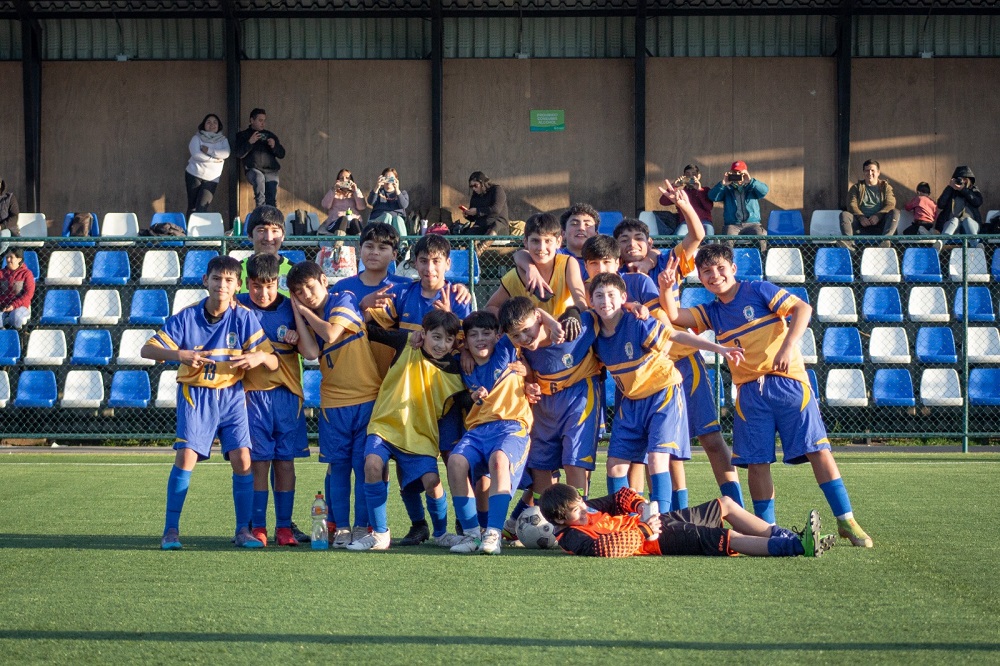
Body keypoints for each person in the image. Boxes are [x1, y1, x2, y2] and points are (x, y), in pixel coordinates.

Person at [660, 243, 874, 547]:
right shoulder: (712, 312)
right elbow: (675, 316)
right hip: (749, 393)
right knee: (757, 462)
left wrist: (787, 347)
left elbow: (803, 309)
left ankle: (846, 520)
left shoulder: (757, 290)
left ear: (733, 269)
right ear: (701, 278)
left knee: (818, 450)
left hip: (788, 384)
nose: (714, 275)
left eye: (720, 268)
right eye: (706, 271)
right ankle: (769, 530)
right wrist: (666, 288)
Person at [141, 255, 278, 550]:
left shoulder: (243, 317)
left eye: (229, 280)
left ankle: (243, 530)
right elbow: (147, 349)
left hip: (231, 395)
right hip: (197, 395)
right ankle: (171, 531)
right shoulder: (187, 317)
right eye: (216, 278)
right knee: (186, 458)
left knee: (243, 459)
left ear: (237, 285)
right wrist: (181, 355)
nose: (222, 285)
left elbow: (274, 361)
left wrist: (259, 357)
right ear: (205, 281)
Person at [588, 272, 744, 513]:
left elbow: (673, 334)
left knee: (657, 460)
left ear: (622, 298)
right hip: (631, 401)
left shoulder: (636, 322)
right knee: (615, 466)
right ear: (590, 300)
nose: (605, 301)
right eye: (599, 296)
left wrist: (719, 348)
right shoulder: (595, 333)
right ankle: (625, 520)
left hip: (663, 395)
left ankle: (661, 520)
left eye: (611, 295)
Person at [366, 233, 473, 546]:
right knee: (406, 458)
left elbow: (474, 341)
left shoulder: (461, 297)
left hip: (447, 398)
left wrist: (463, 346)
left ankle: (463, 523)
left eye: (437, 261)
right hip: (411, 397)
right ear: (414, 263)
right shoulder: (403, 293)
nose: (430, 267)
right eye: (423, 260)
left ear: (448, 264)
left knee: (455, 459)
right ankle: (418, 524)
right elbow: (380, 327)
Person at [347, 310, 470, 551]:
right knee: (372, 464)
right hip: (384, 425)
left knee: (432, 482)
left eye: (448, 339)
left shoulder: (455, 370)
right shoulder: (406, 343)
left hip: (421, 434)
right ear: (423, 334)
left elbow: (466, 399)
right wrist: (365, 309)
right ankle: (380, 533)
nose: (441, 344)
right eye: (436, 337)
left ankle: (441, 533)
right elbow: (370, 331)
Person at [287, 261, 384, 548]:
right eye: (298, 292)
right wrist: (300, 315)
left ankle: (361, 526)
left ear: (324, 281)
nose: (306, 294)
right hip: (333, 403)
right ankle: (341, 527)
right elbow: (312, 351)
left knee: (362, 464)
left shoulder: (344, 299)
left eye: (310, 286)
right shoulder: (309, 316)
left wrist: (303, 312)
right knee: (339, 467)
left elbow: (330, 334)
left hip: (366, 397)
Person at [236, 254, 319, 547]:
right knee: (259, 462)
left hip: (288, 396)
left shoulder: (289, 307)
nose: (263, 292)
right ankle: (258, 526)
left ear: (278, 284)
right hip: (251, 397)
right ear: (247, 284)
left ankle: (284, 526)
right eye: (257, 286)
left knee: (285, 462)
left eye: (270, 285)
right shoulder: (238, 306)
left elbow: (311, 353)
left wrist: (297, 329)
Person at [447, 310, 540, 555]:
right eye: (473, 335)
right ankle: (471, 534)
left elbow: (520, 319)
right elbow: (439, 336)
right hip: (478, 430)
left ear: (498, 335)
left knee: (499, 461)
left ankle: (493, 533)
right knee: (455, 462)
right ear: (464, 340)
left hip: (511, 425)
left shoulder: (506, 351)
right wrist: (463, 351)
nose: (480, 339)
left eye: (486, 333)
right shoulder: (460, 361)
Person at [539, 484, 833, 558]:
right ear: (560, 522)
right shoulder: (571, 538)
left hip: (659, 522)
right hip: (658, 542)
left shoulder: (585, 507)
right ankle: (795, 547)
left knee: (725, 505)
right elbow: (604, 550)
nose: (584, 511)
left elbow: (619, 497)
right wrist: (643, 529)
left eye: (580, 504)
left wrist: (639, 504)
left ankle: (783, 536)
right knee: (724, 539)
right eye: (577, 513)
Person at [499, 297, 600, 507]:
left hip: (579, 399)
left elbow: (604, 314)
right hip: (543, 405)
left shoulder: (573, 329)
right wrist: (528, 380)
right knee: (540, 466)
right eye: (516, 335)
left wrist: (570, 312)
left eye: (526, 330)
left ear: (538, 317)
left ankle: (578, 515)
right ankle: (545, 520)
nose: (524, 338)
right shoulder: (517, 349)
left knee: (573, 462)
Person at [486, 212, 588, 318]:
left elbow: (581, 302)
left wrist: (573, 313)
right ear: (525, 242)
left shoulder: (567, 264)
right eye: (535, 241)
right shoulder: (515, 275)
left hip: (562, 328)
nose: (541, 247)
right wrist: (514, 322)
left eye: (548, 241)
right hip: (530, 333)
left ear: (558, 242)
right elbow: (491, 307)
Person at [708, 160, 768, 251]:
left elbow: (764, 191)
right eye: (735, 172)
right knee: (727, 240)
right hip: (733, 224)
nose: (737, 175)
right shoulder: (727, 188)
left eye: (740, 172)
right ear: (730, 173)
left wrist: (750, 181)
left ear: (745, 172)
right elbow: (712, 197)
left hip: (752, 224)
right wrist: (723, 184)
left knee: (760, 236)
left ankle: (763, 261)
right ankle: (728, 262)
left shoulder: (751, 186)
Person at [839, 159, 900, 248]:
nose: (870, 173)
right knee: (844, 214)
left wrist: (878, 216)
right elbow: (851, 204)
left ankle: (886, 241)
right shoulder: (856, 188)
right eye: (867, 170)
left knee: (895, 212)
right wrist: (861, 217)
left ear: (878, 172)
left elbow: (890, 204)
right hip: (861, 225)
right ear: (863, 172)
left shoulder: (886, 187)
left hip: (880, 225)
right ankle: (849, 244)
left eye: (872, 170)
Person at [235, 108, 285, 208]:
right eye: (260, 120)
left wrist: (274, 146)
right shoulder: (242, 135)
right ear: (252, 120)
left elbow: (282, 154)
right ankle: (260, 215)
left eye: (264, 120)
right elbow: (238, 154)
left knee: (271, 198)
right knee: (259, 181)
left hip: (271, 170)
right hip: (253, 170)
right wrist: (250, 142)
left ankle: (272, 220)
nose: (263, 123)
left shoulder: (269, 135)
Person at [240, 205, 295, 296]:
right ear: (250, 236)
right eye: (261, 230)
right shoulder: (238, 270)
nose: (269, 238)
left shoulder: (294, 272)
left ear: (283, 236)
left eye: (275, 231)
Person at [184, 113, 231, 215]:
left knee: (202, 208)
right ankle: (189, 230)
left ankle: (200, 230)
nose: (212, 125)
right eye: (208, 122)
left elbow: (226, 153)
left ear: (219, 126)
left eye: (215, 122)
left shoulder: (223, 140)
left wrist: (208, 150)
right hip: (194, 174)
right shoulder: (196, 138)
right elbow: (196, 155)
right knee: (192, 207)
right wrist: (214, 159)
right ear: (204, 125)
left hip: (212, 178)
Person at [934, 166, 984, 247]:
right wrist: (950, 187)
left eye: (964, 179)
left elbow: (977, 202)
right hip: (953, 227)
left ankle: (977, 246)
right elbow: (940, 204)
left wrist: (963, 189)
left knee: (967, 220)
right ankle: (940, 244)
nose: (961, 181)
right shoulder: (951, 191)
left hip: (970, 227)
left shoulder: (973, 189)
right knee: (954, 220)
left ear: (968, 180)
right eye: (958, 179)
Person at [659, 165, 714, 234]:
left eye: (693, 174)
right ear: (684, 177)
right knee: (678, 238)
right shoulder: (680, 192)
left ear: (698, 176)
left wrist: (699, 190)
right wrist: (674, 186)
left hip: (704, 221)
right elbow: (663, 202)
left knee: (709, 236)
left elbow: (709, 207)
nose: (690, 177)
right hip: (686, 222)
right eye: (687, 175)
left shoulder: (705, 190)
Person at [460, 171, 509, 236]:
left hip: (498, 224)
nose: (474, 188)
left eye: (475, 185)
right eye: (471, 186)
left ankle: (482, 246)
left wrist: (477, 211)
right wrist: (468, 214)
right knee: (468, 234)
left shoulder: (497, 190)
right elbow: (473, 218)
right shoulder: (475, 196)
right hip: (481, 226)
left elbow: (496, 209)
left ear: (482, 183)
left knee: (493, 230)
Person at [320, 168, 367, 235]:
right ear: (338, 180)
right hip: (336, 223)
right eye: (341, 178)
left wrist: (356, 190)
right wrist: (334, 189)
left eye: (347, 178)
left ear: (351, 181)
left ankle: (360, 244)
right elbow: (325, 205)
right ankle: (338, 243)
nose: (344, 180)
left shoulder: (355, 193)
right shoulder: (334, 192)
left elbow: (362, 207)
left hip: (351, 224)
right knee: (343, 219)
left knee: (356, 221)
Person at [366, 168, 409, 238]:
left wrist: (397, 190)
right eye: (386, 178)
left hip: (396, 221)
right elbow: (370, 202)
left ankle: (403, 246)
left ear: (396, 180)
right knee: (387, 216)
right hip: (379, 220)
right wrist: (377, 186)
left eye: (391, 178)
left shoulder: (402, 193)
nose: (389, 181)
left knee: (398, 219)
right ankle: (383, 240)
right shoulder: (378, 191)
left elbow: (404, 205)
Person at [0, 247, 35, 330]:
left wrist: (13, 305)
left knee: (17, 316)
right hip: (2, 307)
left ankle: (18, 336)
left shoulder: (27, 274)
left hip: (20, 307)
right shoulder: (1, 273)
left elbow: (28, 294)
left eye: (11, 257)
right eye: (7, 257)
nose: (8, 260)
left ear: (19, 259)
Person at [0, 179, 20, 252]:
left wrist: (1, 226)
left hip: (8, 229)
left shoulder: (10, 198)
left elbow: (14, 217)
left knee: (3, 235)